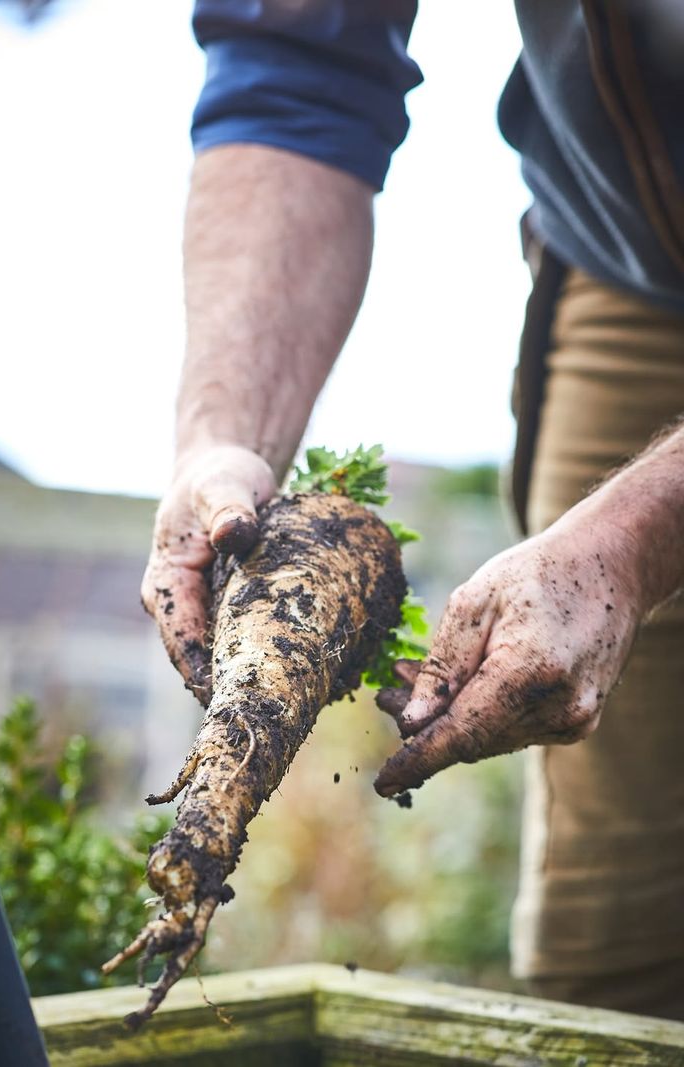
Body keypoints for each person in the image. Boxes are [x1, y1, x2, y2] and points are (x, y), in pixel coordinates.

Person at [141, 1, 684, 1021]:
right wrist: (220, 439)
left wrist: (629, 535)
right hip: (631, 261)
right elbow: (297, 63)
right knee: (617, 922)